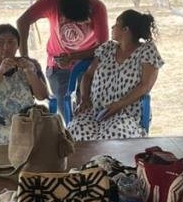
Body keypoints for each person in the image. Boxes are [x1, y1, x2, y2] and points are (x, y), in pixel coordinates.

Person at [68, 10, 162, 142]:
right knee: (75, 131)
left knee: (115, 136)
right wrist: (84, 99)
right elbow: (88, 75)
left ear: (126, 30)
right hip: (95, 110)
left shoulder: (147, 51)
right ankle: (85, 163)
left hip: (125, 113)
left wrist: (118, 105)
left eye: (116, 24)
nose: (112, 27)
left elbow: (145, 86)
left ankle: (108, 163)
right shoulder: (107, 48)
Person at [16, 0, 109, 107]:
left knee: (89, 105)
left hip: (88, 64)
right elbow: (22, 21)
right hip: (58, 67)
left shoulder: (97, 7)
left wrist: (73, 57)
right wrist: (25, 57)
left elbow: (103, 47)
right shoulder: (52, 0)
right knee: (65, 106)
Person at [0, 24, 50, 145]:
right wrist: (0, 72)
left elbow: (42, 96)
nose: (6, 47)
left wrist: (30, 72)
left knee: (48, 134)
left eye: (11, 42)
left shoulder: (28, 64)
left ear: (17, 46)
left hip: (27, 119)